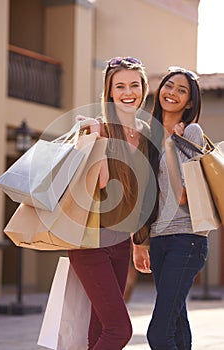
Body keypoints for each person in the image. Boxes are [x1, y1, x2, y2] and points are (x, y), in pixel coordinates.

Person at [67, 56, 151, 350]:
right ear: (110, 92)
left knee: (100, 329)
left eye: (134, 85)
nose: (128, 92)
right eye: (120, 86)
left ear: (143, 88)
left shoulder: (146, 132)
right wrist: (95, 138)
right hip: (90, 241)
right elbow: (101, 184)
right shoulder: (99, 128)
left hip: (120, 242)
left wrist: (141, 241)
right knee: (119, 330)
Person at [133, 66, 209, 350]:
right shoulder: (148, 135)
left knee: (158, 334)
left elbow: (182, 195)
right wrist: (139, 243)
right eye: (169, 86)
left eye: (182, 90)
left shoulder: (191, 131)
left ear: (190, 102)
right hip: (159, 241)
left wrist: (169, 147)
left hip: (186, 240)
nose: (172, 93)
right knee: (176, 327)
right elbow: (144, 196)